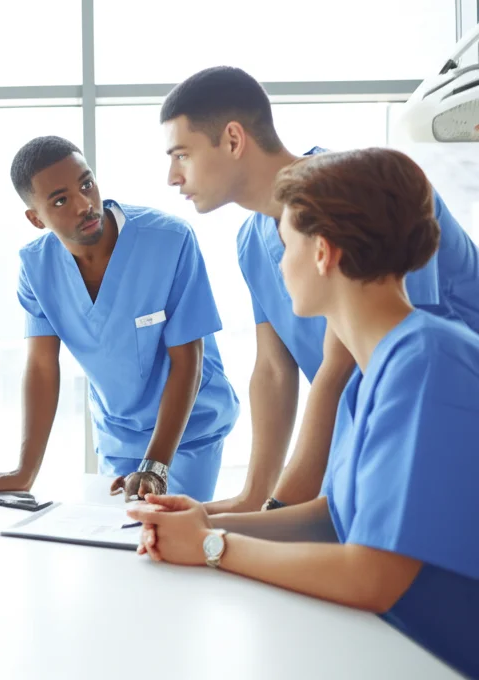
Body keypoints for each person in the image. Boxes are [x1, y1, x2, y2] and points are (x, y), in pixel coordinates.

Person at [127, 148, 479, 679]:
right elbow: (331, 516)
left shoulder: (428, 362)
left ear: (323, 252)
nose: (280, 262)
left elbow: (373, 575)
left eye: (287, 244)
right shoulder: (373, 372)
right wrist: (205, 520)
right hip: (386, 644)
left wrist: (212, 547)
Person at [159, 66, 479, 513]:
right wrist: (253, 499)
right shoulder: (252, 240)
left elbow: (359, 365)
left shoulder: (357, 197)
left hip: (441, 426)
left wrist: (276, 510)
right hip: (374, 429)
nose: (172, 176)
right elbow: (273, 370)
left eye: (181, 155)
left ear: (233, 140)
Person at [0, 136, 239, 502]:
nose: (85, 204)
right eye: (61, 200)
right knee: (115, 544)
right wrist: (25, 471)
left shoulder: (170, 240)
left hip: (190, 428)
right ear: (36, 218)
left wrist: (156, 466)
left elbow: (187, 359)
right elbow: (41, 366)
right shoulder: (37, 267)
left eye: (87, 184)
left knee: (174, 540)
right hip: (119, 435)